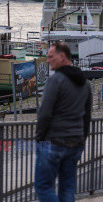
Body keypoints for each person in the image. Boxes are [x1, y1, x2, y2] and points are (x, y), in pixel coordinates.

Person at [35, 42, 92, 202]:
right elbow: (87, 115)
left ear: (62, 57)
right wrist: (82, 138)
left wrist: (39, 139)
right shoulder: (84, 83)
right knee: (67, 187)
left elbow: (44, 114)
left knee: (43, 187)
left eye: (51, 57)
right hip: (75, 142)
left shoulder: (56, 80)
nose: (48, 60)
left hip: (54, 142)